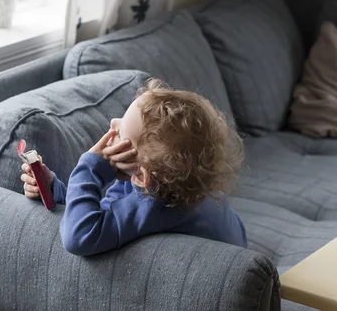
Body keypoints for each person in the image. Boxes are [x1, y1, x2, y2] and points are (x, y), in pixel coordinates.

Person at [20, 79, 247, 256]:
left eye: (120, 132)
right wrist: (55, 190)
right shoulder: (194, 190)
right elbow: (100, 211)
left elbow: (79, 234)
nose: (113, 123)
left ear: (140, 175)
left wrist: (88, 166)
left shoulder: (152, 209)